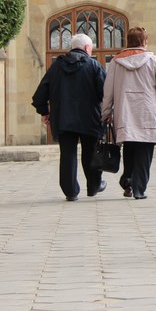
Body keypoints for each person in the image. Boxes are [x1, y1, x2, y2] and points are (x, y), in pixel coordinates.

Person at [101, 26, 156, 200]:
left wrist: (105, 113)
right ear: (143, 41)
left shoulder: (116, 62)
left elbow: (108, 91)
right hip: (147, 112)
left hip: (124, 113)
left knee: (130, 148)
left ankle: (128, 180)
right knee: (145, 151)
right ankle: (139, 189)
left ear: (128, 41)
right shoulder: (153, 61)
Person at [31, 33, 107, 201]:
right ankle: (94, 186)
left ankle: (70, 192)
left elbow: (40, 94)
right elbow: (105, 93)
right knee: (91, 152)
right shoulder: (94, 66)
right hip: (90, 118)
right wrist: (107, 112)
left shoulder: (56, 67)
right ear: (87, 48)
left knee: (67, 154)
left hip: (63, 118)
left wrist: (44, 112)